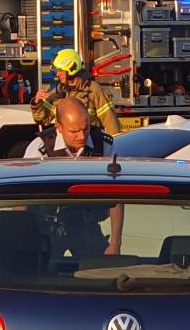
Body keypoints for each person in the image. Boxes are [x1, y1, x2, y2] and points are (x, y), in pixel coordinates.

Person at [22, 98, 121, 257]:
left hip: (86, 225)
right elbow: (22, 197)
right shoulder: (40, 150)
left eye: (86, 128)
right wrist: (21, 236)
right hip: (47, 227)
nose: (82, 136)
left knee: (100, 271)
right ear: (59, 127)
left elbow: (116, 196)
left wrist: (116, 242)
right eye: (74, 131)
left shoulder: (103, 145)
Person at [30, 48, 121, 135]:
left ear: (71, 68)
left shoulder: (93, 89)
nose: (57, 74)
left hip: (88, 145)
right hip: (65, 147)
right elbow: (43, 120)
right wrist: (37, 102)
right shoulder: (59, 91)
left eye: (60, 70)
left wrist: (114, 145)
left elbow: (110, 121)